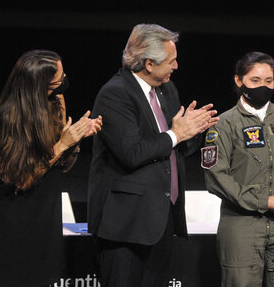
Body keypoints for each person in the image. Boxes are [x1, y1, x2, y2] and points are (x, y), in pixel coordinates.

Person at [87, 23, 218, 287]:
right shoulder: (115, 94)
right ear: (148, 64)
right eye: (171, 61)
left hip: (161, 219)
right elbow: (132, 152)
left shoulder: (166, 89)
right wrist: (176, 134)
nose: (176, 66)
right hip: (126, 225)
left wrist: (193, 131)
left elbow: (175, 144)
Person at [0, 50, 102, 287]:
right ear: (39, 85)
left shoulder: (55, 102)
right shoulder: (7, 116)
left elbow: (63, 166)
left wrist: (76, 140)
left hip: (46, 210)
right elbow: (20, 180)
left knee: (43, 275)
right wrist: (62, 145)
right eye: (57, 80)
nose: (62, 83)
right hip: (15, 216)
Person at [203, 51, 274, 287]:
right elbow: (216, 177)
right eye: (255, 81)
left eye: (268, 81)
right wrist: (263, 202)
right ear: (239, 81)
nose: (263, 87)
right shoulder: (224, 124)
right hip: (241, 224)